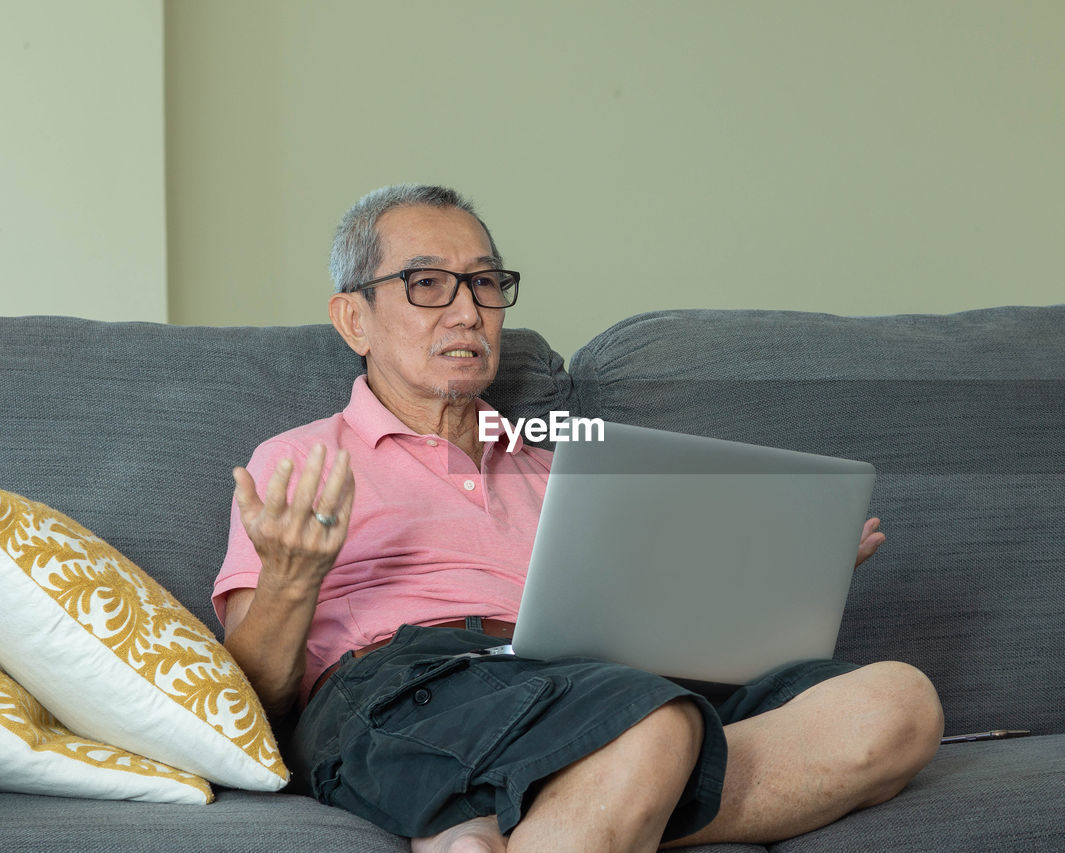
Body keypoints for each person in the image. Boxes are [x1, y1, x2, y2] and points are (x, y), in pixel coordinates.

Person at [213, 184, 944, 853]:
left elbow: (655, 633)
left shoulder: (564, 467)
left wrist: (774, 585)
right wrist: (291, 578)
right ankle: (600, 786)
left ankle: (535, 812)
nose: (468, 311)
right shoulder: (300, 458)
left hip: (590, 681)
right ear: (354, 319)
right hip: (408, 690)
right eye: (427, 284)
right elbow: (251, 696)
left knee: (895, 703)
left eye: (486, 283)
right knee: (648, 720)